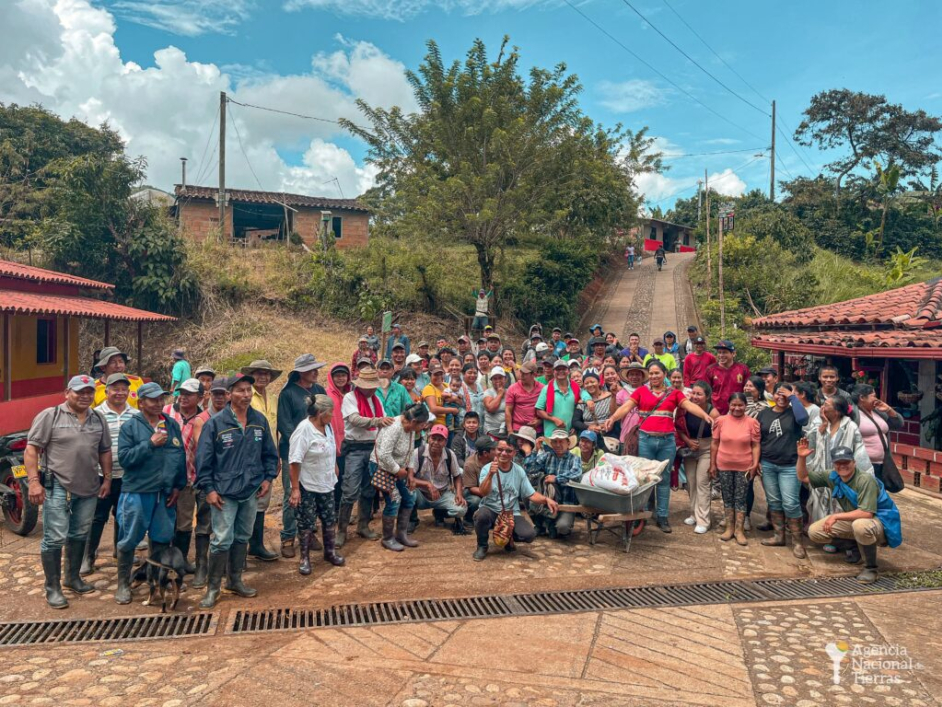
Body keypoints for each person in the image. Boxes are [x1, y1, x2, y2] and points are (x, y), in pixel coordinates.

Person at [26, 375, 113, 609]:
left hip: (89, 487)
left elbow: (105, 450)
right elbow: (32, 449)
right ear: (67, 393)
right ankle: (52, 587)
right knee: (54, 537)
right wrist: (34, 482)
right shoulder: (51, 416)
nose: (85, 396)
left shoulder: (98, 419)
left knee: (79, 533)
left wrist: (107, 478)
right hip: (57, 486)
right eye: (79, 392)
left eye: (89, 392)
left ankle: (72, 577)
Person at [194, 374, 279, 608]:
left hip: (250, 491)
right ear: (230, 394)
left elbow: (270, 454)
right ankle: (213, 588)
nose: (246, 395)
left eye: (249, 390)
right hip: (224, 494)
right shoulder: (216, 423)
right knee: (222, 539)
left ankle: (235, 580)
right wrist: (209, 490)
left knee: (242, 536)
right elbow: (203, 460)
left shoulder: (258, 420)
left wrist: (267, 478)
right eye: (241, 390)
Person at [605, 361, 714, 533]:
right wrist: (612, 418)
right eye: (652, 373)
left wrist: (705, 415)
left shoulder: (674, 393)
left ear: (664, 374)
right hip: (646, 440)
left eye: (657, 373)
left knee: (663, 479)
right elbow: (626, 407)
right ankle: (645, 513)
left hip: (667, 442)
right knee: (645, 478)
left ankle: (662, 516)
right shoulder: (641, 391)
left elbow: (689, 405)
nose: (654, 376)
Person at [114, 382, 187, 605]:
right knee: (129, 540)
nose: (158, 403)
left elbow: (179, 457)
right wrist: (149, 444)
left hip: (164, 493)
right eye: (152, 399)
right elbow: (125, 459)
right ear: (141, 402)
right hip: (138, 491)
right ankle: (123, 584)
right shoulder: (131, 427)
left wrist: (177, 486)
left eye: (161, 399)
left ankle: (157, 582)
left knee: (162, 539)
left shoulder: (171, 425)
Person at [798, 441, 902, 584]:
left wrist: (835, 516)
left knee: (860, 525)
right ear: (834, 464)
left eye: (846, 462)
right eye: (838, 463)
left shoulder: (865, 480)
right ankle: (855, 547)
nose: (842, 466)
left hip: (881, 523)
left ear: (854, 462)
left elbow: (867, 513)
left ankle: (870, 568)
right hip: (859, 520)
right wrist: (801, 458)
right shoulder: (833, 476)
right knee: (815, 531)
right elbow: (803, 477)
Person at [81, 373, 140, 576]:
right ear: (106, 392)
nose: (120, 393)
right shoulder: (95, 414)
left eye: (124, 389)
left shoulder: (135, 414)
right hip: (100, 475)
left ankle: (119, 551)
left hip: (128, 475)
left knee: (123, 515)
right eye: (115, 389)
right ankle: (88, 556)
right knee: (97, 517)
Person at [472, 437, 559, 561]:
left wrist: (546, 500)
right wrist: (490, 475)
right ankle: (482, 546)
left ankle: (508, 538)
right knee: (481, 516)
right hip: (490, 508)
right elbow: (483, 492)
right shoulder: (487, 468)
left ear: (514, 453)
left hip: (511, 512)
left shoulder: (519, 471)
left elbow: (531, 494)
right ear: (495, 450)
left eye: (508, 451)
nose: (503, 453)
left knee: (529, 535)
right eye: (500, 450)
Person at [287, 395, 345, 576]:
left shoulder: (326, 427)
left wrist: (334, 465)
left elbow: (331, 447)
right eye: (330, 413)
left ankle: (330, 552)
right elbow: (294, 461)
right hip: (307, 484)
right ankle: (304, 558)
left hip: (326, 482)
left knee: (329, 518)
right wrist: (295, 489)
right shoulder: (304, 430)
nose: (332, 416)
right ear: (320, 413)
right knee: (306, 522)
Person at [277, 354, 327, 559]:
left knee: (313, 493)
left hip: (316, 452)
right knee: (292, 493)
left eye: (316, 369)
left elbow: (326, 419)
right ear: (300, 372)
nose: (316, 372)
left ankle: (307, 532)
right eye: (311, 369)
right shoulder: (287, 394)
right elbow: (284, 424)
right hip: (294, 452)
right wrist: (301, 444)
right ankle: (288, 536)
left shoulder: (319, 391)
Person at [162, 378, 211, 575]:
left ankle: (180, 561)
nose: (183, 397)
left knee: (183, 522)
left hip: (191, 477)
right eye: (181, 393)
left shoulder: (205, 418)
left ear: (200, 397)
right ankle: (163, 561)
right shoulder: (166, 411)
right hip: (165, 478)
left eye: (189, 394)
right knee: (164, 521)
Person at [338, 366, 391, 547]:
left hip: (372, 447)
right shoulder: (350, 398)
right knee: (350, 489)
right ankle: (342, 529)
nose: (372, 389)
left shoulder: (376, 400)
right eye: (369, 386)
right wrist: (376, 421)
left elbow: (383, 420)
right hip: (354, 448)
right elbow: (354, 419)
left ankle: (363, 525)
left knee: (369, 489)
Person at [757, 382, 809, 558]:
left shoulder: (795, 414)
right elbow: (758, 439)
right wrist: (757, 461)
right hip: (768, 463)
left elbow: (804, 420)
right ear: (773, 395)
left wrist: (793, 397)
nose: (781, 397)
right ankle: (779, 536)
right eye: (778, 393)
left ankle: (798, 542)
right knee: (773, 501)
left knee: (791, 502)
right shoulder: (763, 414)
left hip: (789, 465)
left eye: (785, 394)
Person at [371, 404, 430, 551]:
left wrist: (410, 473)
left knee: (410, 497)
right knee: (394, 500)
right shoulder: (394, 428)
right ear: (414, 421)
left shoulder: (410, 428)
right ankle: (388, 538)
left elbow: (410, 452)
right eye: (422, 424)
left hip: (400, 470)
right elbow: (384, 455)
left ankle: (401, 534)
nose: (424, 427)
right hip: (383, 468)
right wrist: (398, 470)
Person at [240, 359, 282, 562]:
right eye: (259, 373)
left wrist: (277, 456)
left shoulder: (274, 398)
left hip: (268, 455)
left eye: (266, 374)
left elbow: (276, 430)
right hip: (248, 456)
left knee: (262, 501)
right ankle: (241, 547)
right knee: (245, 500)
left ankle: (256, 544)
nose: (263, 377)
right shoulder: (246, 397)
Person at [710, 393, 761, 546]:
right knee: (727, 496)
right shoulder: (721, 421)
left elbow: (756, 445)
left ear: (745, 406)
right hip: (724, 464)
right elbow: (714, 443)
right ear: (728, 405)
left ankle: (739, 530)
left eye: (740, 405)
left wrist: (755, 463)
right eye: (734, 405)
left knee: (741, 497)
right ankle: (729, 527)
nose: (737, 408)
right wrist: (712, 464)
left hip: (744, 466)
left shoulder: (752, 422)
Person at [521, 428, 583, 538]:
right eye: (555, 441)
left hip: (565, 502)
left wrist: (557, 479)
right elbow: (529, 470)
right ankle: (540, 525)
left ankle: (552, 524)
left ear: (568, 443)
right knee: (527, 493)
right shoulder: (547, 456)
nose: (558, 444)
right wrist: (535, 450)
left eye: (561, 441)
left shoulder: (575, 458)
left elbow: (577, 475)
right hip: (547, 500)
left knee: (562, 528)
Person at [677, 381, 720, 534]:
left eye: (699, 394)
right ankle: (694, 514)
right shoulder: (685, 408)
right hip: (690, 448)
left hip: (707, 449)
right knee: (691, 482)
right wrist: (688, 441)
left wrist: (714, 461)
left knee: (702, 483)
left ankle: (704, 520)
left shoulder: (712, 412)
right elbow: (679, 428)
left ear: (707, 396)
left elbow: (718, 437)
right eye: (693, 393)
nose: (695, 397)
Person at [411, 424, 467, 534]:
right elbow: (410, 478)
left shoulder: (450, 454)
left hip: (442, 495)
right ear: (428, 438)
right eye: (433, 438)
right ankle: (412, 520)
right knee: (407, 493)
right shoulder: (418, 453)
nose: (436, 442)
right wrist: (428, 485)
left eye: (440, 440)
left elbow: (457, 476)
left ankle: (440, 513)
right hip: (421, 495)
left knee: (461, 509)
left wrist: (459, 494)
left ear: (445, 442)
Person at [852, 384, 903, 485]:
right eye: (873, 396)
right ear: (862, 398)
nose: (876, 399)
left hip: (882, 462)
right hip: (863, 464)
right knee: (867, 494)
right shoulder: (853, 414)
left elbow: (898, 424)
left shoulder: (878, 412)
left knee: (879, 495)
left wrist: (889, 410)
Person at [535, 359, 589, 437]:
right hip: (551, 434)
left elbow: (584, 395)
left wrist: (588, 400)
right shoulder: (546, 389)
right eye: (558, 369)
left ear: (568, 371)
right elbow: (539, 410)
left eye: (563, 369)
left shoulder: (575, 387)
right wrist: (554, 419)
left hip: (570, 434)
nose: (561, 371)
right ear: (554, 372)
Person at [325, 363, 352, 511]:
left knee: (346, 479)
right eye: (337, 375)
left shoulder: (351, 394)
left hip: (349, 443)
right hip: (332, 443)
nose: (340, 378)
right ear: (331, 377)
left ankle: (342, 511)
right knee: (334, 478)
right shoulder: (326, 394)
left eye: (343, 375)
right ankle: (333, 510)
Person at [705, 340, 751, 416]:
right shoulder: (710, 370)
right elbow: (706, 392)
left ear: (733, 353)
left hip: (737, 411)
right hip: (717, 412)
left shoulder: (743, 369)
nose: (721, 355)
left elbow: (748, 391)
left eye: (724, 352)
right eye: (719, 352)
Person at [573, 372, 615, 446]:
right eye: (586, 383)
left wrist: (606, 425)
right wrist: (589, 427)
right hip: (588, 438)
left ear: (599, 383)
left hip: (608, 436)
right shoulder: (582, 402)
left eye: (592, 382)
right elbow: (575, 421)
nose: (590, 385)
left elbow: (615, 414)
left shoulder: (609, 396)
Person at [460, 437, 496, 524]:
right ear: (485, 453)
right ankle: (468, 519)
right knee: (475, 501)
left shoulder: (495, 459)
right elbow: (471, 488)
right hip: (473, 491)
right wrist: (489, 494)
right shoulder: (470, 464)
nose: (496, 451)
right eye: (493, 449)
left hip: (490, 489)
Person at [504, 360, 543, 434]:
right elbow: (508, 410)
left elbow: (546, 410)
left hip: (536, 430)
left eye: (525, 373)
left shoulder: (542, 389)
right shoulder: (513, 388)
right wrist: (510, 431)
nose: (522, 375)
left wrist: (540, 421)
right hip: (518, 429)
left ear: (533, 374)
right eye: (521, 372)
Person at [482, 368, 508, 435]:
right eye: (495, 379)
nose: (498, 380)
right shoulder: (488, 392)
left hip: (506, 428)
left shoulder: (510, 392)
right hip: (491, 429)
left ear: (505, 379)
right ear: (491, 381)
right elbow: (491, 409)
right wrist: (499, 395)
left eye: (500, 378)